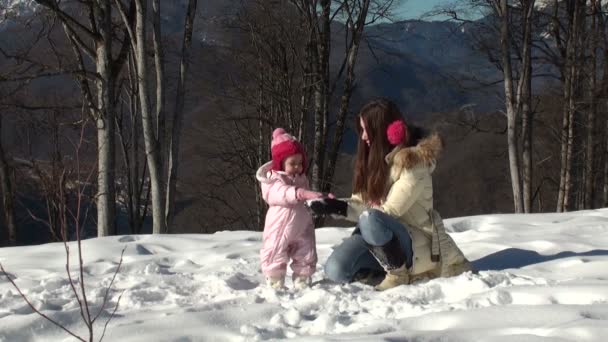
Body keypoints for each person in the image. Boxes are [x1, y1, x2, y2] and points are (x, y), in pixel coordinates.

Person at [309, 98, 472, 291]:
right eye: (360, 130)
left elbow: (389, 212)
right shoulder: (375, 161)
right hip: (379, 236)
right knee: (336, 270)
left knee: (370, 219)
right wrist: (336, 206)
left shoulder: (414, 163)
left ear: (382, 130)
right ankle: (383, 269)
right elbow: (362, 205)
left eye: (366, 130)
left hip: (413, 241)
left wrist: (366, 218)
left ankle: (398, 274)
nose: (362, 137)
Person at [256, 128, 332, 290]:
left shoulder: (301, 179)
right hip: (279, 224)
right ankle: (275, 280)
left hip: (302, 224)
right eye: (292, 163)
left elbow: (306, 198)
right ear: (281, 163)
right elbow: (280, 193)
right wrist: (300, 193)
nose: (297, 167)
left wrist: (320, 199)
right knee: (275, 250)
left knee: (306, 250)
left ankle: (303, 278)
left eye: (300, 163)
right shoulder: (273, 179)